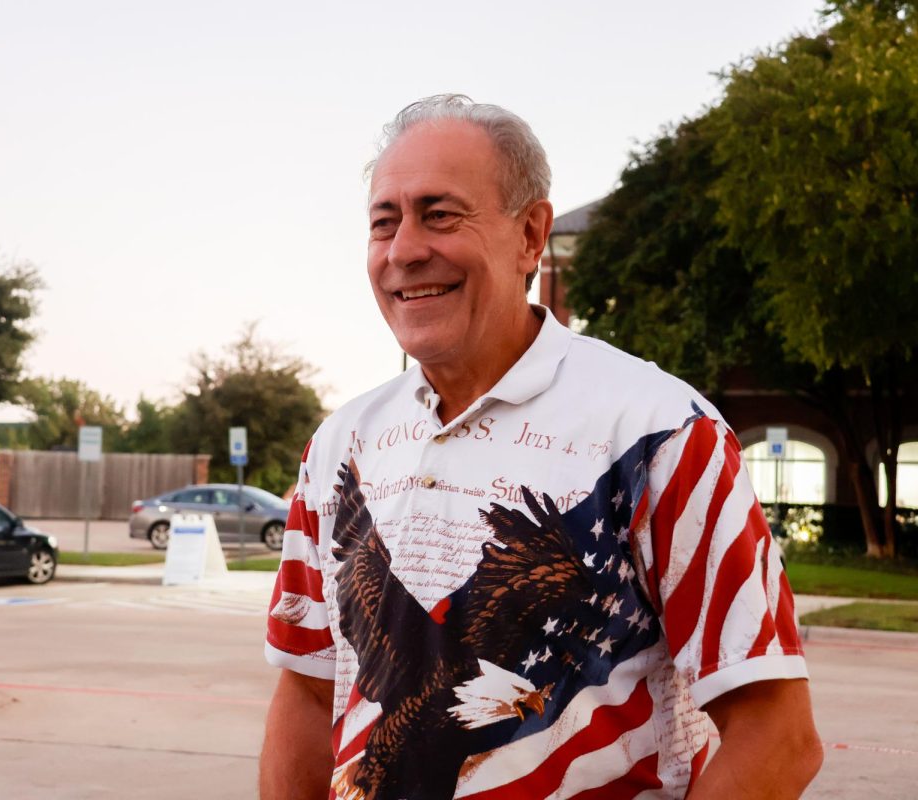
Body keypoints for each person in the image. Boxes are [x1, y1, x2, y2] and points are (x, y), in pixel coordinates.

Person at [261, 94, 822, 799]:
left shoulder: (660, 433)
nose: (405, 250)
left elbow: (778, 736)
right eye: (385, 222)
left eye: (440, 215)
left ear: (531, 234)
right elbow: (309, 697)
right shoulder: (342, 445)